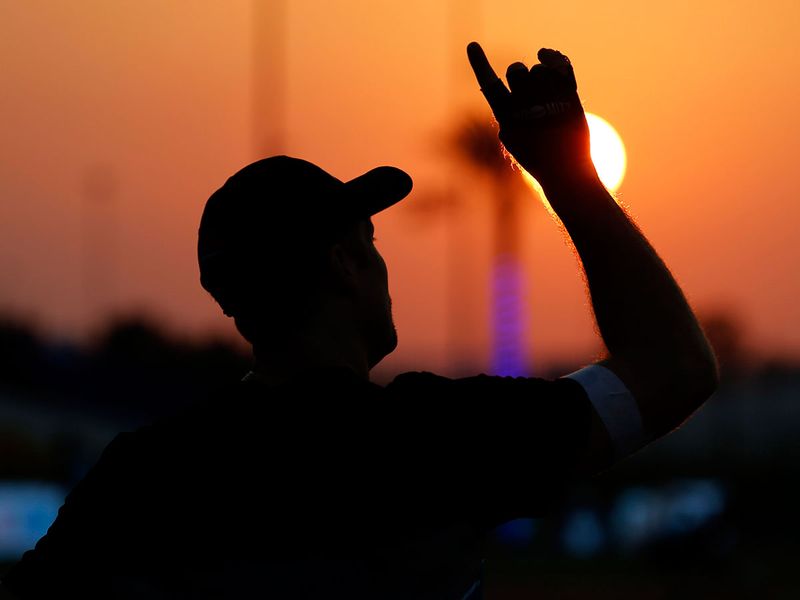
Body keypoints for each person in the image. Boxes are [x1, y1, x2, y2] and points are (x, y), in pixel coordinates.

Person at [1, 42, 717, 599]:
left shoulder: (144, 476)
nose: (383, 271)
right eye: (370, 245)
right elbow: (675, 369)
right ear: (345, 265)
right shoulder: (433, 440)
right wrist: (568, 174)